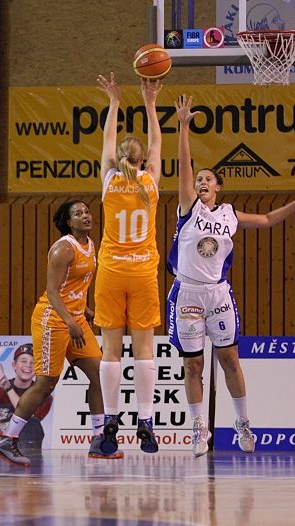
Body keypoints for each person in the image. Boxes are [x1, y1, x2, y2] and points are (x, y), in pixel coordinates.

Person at [170, 95, 295, 457]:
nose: (202, 182)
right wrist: (183, 127)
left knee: (230, 359)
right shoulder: (189, 207)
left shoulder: (229, 214)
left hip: (218, 294)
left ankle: (242, 423)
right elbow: (183, 167)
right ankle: (198, 428)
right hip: (187, 293)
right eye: (199, 179)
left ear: (218, 187)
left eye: (208, 179)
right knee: (193, 365)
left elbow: (267, 220)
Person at [0, 200, 121, 465]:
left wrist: (85, 311)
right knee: (46, 383)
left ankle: (99, 440)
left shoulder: (90, 245)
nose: (85, 216)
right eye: (78, 214)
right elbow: (52, 292)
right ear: (68, 222)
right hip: (52, 319)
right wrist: (69, 321)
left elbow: (73, 288)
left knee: (100, 375)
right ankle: (7, 438)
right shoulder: (63, 249)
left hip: (75, 317)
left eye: (87, 211)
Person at [94, 73, 163, 455]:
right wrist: (150, 104)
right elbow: (157, 144)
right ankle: (146, 420)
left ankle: (110, 419)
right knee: (144, 351)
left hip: (111, 271)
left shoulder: (108, 179)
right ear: (142, 160)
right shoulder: (150, 182)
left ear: (119, 158)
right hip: (142, 272)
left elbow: (107, 142)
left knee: (111, 351)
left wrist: (114, 102)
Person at [0, 343, 53, 450]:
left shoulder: (43, 394)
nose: (28, 365)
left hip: (22, 450)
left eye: (33, 362)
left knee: (33, 424)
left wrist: (8, 389)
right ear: (14, 365)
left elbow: (30, 419)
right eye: (23, 361)